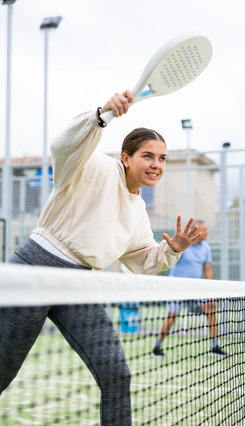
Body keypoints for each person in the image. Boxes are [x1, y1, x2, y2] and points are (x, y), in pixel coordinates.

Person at [0, 90, 202, 426]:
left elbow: (144, 261)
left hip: (80, 284)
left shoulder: (139, 212)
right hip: (36, 267)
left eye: (162, 158)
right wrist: (101, 114)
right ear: (126, 158)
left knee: (117, 375)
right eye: (148, 156)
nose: (156, 165)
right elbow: (63, 146)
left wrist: (174, 249)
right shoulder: (92, 165)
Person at [152, 220, 227, 358]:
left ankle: (215, 347)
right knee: (172, 317)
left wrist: (212, 293)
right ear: (197, 232)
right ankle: (157, 347)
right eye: (205, 229)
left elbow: (208, 271)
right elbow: (170, 258)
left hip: (196, 288)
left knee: (210, 309)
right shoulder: (185, 246)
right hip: (177, 288)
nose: (207, 232)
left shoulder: (206, 248)